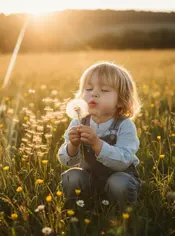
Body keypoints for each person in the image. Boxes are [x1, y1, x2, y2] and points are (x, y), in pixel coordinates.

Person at [57, 61, 142, 211]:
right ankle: (78, 209)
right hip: (90, 178)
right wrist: (73, 145)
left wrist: (97, 143)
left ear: (121, 101)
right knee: (72, 176)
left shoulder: (124, 125)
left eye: (104, 90)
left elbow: (123, 161)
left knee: (119, 183)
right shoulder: (78, 122)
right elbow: (66, 161)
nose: (94, 93)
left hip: (119, 176)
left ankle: (123, 213)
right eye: (89, 89)